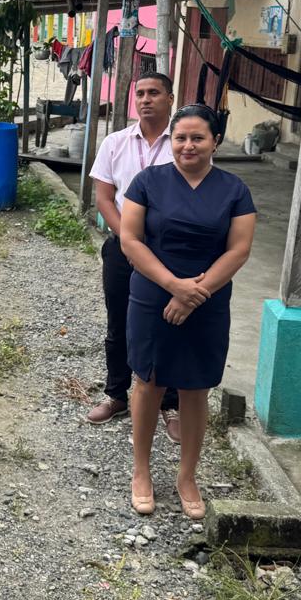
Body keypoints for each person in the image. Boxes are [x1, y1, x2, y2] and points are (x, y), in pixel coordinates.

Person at [119, 103, 256, 520]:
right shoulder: (148, 182)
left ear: (216, 141)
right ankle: (141, 471)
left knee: (197, 387)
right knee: (149, 381)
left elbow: (239, 249)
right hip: (153, 295)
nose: (188, 145)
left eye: (198, 138)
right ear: (171, 141)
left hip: (207, 301)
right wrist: (174, 286)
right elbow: (130, 239)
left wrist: (196, 292)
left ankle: (187, 477)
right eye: (180, 138)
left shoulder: (234, 190)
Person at [87, 72, 181, 437]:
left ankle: (170, 404)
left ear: (170, 99)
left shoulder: (182, 144)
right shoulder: (115, 142)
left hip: (168, 250)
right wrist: (128, 241)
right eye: (140, 93)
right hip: (122, 249)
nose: (145, 99)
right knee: (120, 322)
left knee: (169, 324)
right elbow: (104, 198)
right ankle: (116, 395)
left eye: (154, 92)